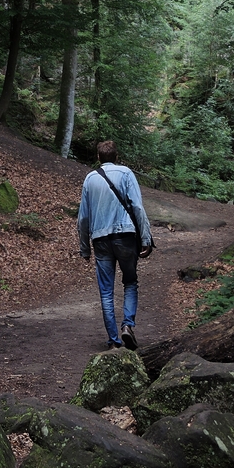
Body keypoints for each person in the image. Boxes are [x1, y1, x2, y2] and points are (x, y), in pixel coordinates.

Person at [77, 140, 152, 350]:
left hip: (100, 240)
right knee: (130, 281)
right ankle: (127, 325)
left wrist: (84, 248)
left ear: (98, 157)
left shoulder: (90, 179)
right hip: (126, 236)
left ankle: (113, 341)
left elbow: (83, 218)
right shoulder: (126, 173)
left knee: (106, 291)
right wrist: (145, 237)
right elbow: (137, 207)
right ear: (116, 157)